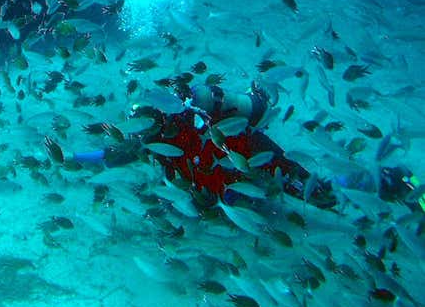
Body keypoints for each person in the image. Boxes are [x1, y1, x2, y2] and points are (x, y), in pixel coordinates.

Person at [73, 83, 417, 211]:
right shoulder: (146, 140)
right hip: (227, 197)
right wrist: (72, 158)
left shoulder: (198, 119)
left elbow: (248, 144)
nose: (143, 133)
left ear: (164, 115)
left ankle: (392, 181)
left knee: (319, 194)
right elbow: (112, 156)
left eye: (148, 125)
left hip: (254, 159)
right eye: (139, 129)